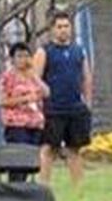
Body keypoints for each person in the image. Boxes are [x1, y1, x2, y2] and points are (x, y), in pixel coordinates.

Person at [34, 10, 93, 186]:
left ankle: (78, 188)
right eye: (59, 27)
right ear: (52, 29)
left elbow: (86, 77)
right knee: (48, 149)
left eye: (66, 26)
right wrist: (40, 101)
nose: (63, 30)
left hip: (75, 108)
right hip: (53, 109)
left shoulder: (79, 51)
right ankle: (43, 186)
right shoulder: (44, 51)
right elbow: (35, 78)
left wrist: (87, 102)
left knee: (74, 149)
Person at [0, 42, 48, 145]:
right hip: (17, 125)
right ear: (12, 59)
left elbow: (46, 92)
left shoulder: (32, 76)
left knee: (36, 153)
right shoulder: (7, 77)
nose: (23, 59)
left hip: (36, 123)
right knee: (22, 152)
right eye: (19, 56)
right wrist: (25, 99)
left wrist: (34, 75)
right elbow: (2, 101)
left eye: (26, 56)